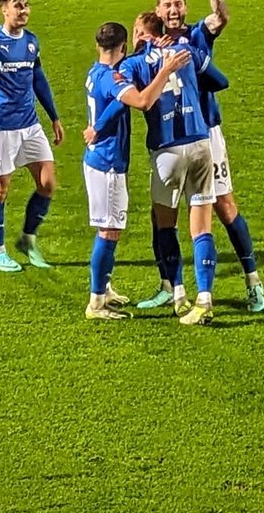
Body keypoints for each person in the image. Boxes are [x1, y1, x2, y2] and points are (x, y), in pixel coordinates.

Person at [148, 0, 264, 312]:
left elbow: (222, 15)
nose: (173, 9)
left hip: (205, 134)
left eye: (178, 3)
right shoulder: (150, 44)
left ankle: (252, 280)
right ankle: (170, 286)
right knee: (161, 213)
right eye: (167, 4)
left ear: (185, 8)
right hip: (169, 138)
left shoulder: (198, 34)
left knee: (224, 207)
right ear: (157, 10)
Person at [80, 24, 189, 319]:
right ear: (123, 48)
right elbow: (141, 101)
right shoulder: (112, 79)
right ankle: (96, 302)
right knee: (109, 231)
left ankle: (103, 286)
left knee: (109, 229)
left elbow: (115, 102)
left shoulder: (94, 72)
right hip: (108, 164)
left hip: (98, 159)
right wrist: (165, 70)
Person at [130, 9, 222, 326]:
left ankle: (179, 294)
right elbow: (220, 81)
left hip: (166, 150)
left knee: (166, 225)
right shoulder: (187, 51)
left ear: (142, 34)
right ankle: (205, 299)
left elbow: (129, 96)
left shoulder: (134, 63)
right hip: (200, 143)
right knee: (202, 228)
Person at [0, 0, 63, 274]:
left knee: (47, 184)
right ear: (4, 10)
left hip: (30, 124)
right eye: (17, 6)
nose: (23, 11)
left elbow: (39, 80)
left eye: (26, 6)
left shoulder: (32, 42)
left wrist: (54, 117)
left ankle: (28, 239)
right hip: (0, 128)